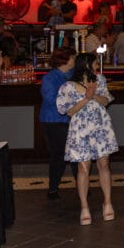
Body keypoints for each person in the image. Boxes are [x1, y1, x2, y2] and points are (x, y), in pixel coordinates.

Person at [56, 52, 118, 225]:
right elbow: (68, 111)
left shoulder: (100, 80)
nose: (97, 66)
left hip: (100, 126)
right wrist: (86, 98)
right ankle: (84, 207)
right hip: (80, 129)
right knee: (83, 168)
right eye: (95, 63)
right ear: (86, 65)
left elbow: (105, 101)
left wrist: (94, 95)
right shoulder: (68, 86)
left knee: (104, 164)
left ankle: (107, 203)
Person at [39, 46, 76, 200]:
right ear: (65, 59)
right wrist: (74, 103)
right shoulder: (50, 78)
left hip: (71, 119)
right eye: (72, 57)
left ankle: (82, 186)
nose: (74, 60)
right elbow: (51, 100)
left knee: (76, 154)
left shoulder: (74, 74)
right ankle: (53, 188)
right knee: (58, 154)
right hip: (53, 120)